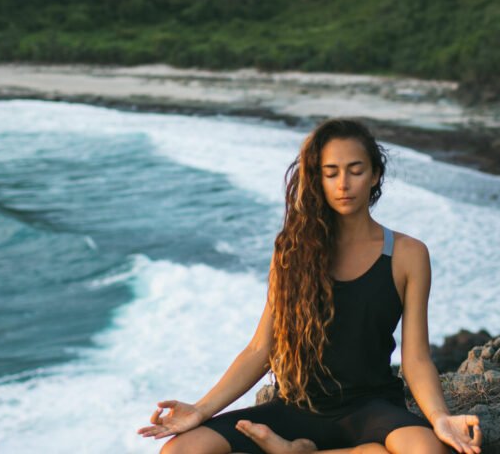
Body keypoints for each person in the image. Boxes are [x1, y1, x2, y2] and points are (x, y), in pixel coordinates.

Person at [137, 118, 482, 454]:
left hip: (370, 408)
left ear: (376, 174)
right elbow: (260, 350)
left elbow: (417, 358)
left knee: (425, 451)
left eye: (355, 170)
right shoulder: (291, 251)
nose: (343, 184)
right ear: (317, 179)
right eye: (330, 173)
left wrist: (439, 418)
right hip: (296, 409)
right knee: (181, 450)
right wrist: (200, 410)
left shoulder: (408, 255)